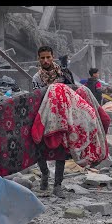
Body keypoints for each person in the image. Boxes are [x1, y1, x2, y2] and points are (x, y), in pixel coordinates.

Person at [31, 46, 69, 198]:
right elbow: (34, 99)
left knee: (61, 151)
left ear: (53, 57)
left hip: (61, 118)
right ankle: (45, 174)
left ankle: (58, 185)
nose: (45, 61)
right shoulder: (36, 78)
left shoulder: (64, 75)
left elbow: (71, 93)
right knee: (40, 149)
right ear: (38, 59)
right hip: (43, 117)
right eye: (42, 58)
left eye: (48, 57)